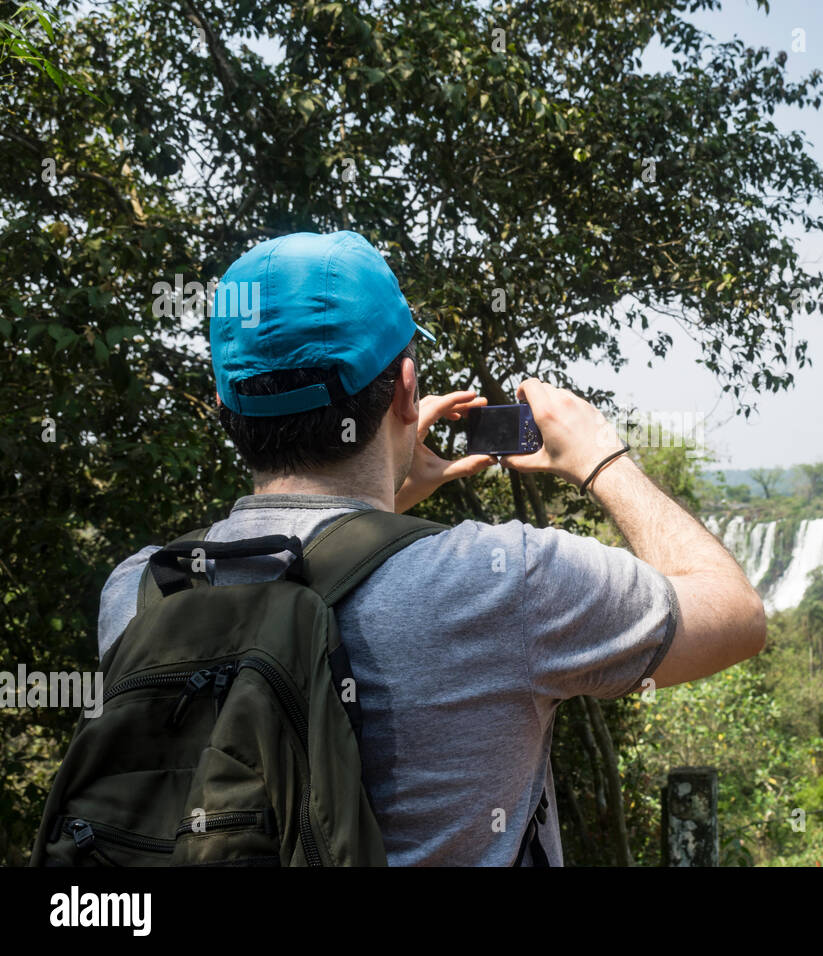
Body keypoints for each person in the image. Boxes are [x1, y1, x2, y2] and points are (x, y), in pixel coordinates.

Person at [96, 231, 766, 865]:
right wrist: (601, 457)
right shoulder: (505, 584)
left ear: (222, 401)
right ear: (407, 390)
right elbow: (736, 615)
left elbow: (297, 571)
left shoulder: (142, 593)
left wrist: (383, 498)